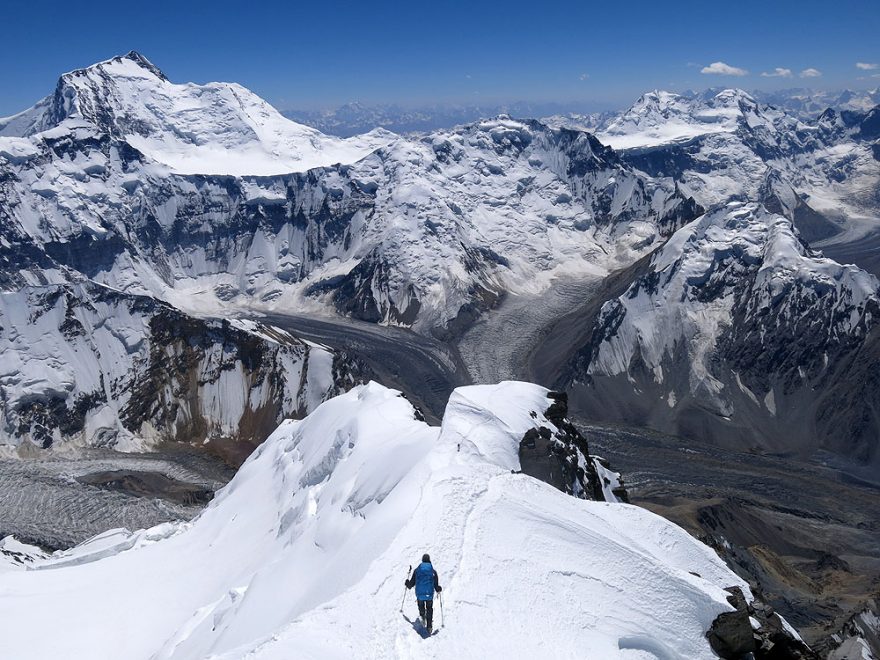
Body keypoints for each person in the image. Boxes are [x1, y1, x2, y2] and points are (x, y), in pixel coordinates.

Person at [405, 553, 442, 633]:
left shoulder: (417, 571)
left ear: (422, 561)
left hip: (419, 594)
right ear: (429, 561)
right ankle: (429, 626)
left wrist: (407, 583)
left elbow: (411, 585)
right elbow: (436, 586)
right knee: (429, 609)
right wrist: (439, 589)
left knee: (421, 606)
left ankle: (422, 616)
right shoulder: (433, 572)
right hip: (429, 594)